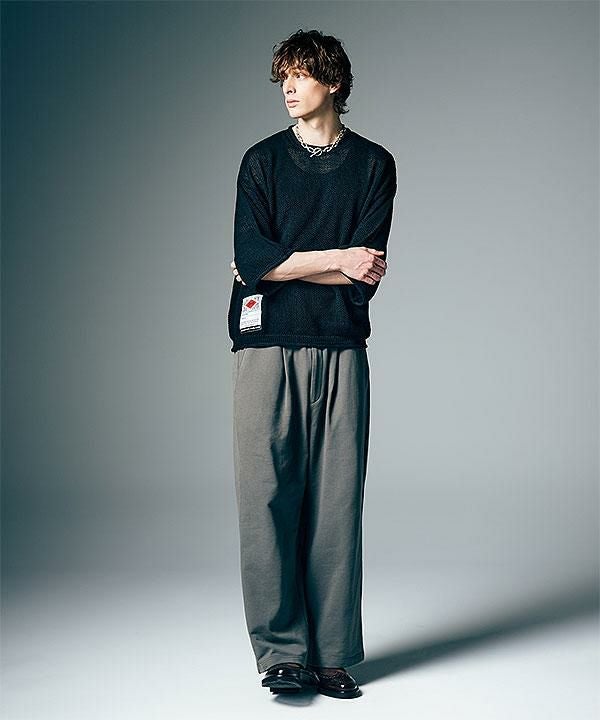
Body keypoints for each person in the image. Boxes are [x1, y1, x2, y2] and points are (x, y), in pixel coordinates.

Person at [228, 28, 397, 700]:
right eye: (284, 78)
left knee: (336, 503)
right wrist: (334, 258)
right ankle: (281, 654)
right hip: (264, 346)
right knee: (266, 500)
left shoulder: (374, 165)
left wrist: (286, 265)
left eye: (300, 75)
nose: (288, 88)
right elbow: (251, 261)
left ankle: (331, 655)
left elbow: (366, 273)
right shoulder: (261, 162)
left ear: (333, 82)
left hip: (341, 346)